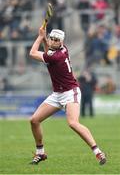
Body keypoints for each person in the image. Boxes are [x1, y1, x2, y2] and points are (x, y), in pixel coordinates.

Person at [29, 26, 106, 165]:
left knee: (73, 123)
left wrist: (41, 36)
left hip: (70, 92)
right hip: (57, 94)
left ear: (61, 42)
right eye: (51, 38)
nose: (53, 41)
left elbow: (33, 53)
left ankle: (98, 152)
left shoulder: (57, 56)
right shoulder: (61, 50)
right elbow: (48, 52)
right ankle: (40, 153)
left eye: (56, 40)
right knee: (34, 120)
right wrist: (45, 39)